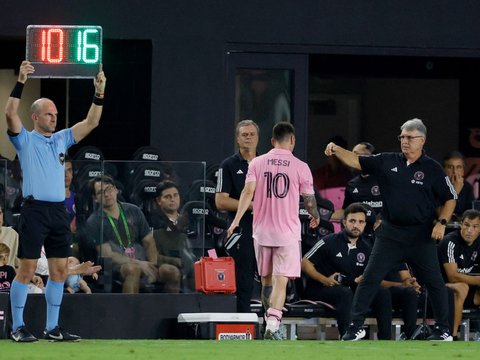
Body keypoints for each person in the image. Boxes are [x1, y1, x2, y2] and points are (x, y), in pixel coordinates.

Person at [325, 118, 457, 341]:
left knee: (434, 283)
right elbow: (357, 161)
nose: (404, 141)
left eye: (409, 137)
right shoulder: (387, 160)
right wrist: (336, 149)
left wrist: (442, 223)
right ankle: (355, 327)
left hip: (420, 235)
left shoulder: (432, 168)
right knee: (369, 278)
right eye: (402, 137)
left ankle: (443, 330)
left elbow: (450, 198)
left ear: (422, 140)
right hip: (390, 233)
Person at [5, 60, 106, 342]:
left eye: (55, 114)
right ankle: (17, 327)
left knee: (59, 270)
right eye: (49, 114)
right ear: (35, 117)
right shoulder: (24, 140)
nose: (54, 118)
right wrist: (22, 80)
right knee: (26, 269)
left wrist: (98, 93)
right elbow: (10, 112)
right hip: (34, 210)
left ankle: (52, 328)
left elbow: (92, 122)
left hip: (58, 211)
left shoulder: (61, 139)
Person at [227, 122, 320, 340]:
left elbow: (247, 191)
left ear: (271, 141)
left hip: (261, 232)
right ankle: (273, 325)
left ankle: (265, 321)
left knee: (266, 281)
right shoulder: (300, 166)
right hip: (286, 233)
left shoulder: (257, 163)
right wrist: (315, 215)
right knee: (281, 281)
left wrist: (235, 222)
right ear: (293, 140)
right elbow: (309, 200)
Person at [302, 203, 393, 339]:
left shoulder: (367, 248)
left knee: (382, 294)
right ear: (344, 222)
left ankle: (386, 340)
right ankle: (348, 335)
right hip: (320, 288)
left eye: (361, 222)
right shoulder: (329, 241)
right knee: (344, 293)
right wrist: (324, 279)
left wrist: (363, 279)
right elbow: (305, 263)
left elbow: (370, 275)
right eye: (352, 221)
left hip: (350, 288)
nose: (356, 225)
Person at [86, 175, 176, 293]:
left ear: (116, 190)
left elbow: (149, 242)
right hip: (115, 267)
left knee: (172, 272)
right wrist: (139, 264)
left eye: (109, 189)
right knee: (133, 269)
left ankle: (168, 311)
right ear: (95, 198)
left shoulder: (133, 211)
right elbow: (108, 254)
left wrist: (152, 265)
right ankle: (130, 310)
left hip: (143, 261)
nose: (107, 195)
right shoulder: (94, 221)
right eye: (100, 192)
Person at [216, 119, 259, 313]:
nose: (248, 138)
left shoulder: (266, 163)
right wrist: (253, 205)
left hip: (267, 227)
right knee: (244, 278)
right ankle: (244, 323)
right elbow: (220, 201)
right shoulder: (228, 165)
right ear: (237, 139)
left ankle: (271, 324)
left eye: (252, 134)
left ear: (258, 138)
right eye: (244, 135)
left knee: (272, 276)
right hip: (242, 229)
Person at [438, 209, 480, 340]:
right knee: (462, 287)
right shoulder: (450, 241)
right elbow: (452, 276)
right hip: (441, 288)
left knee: (464, 287)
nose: (469, 230)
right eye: (467, 225)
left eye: (475, 226)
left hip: (466, 290)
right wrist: (478, 280)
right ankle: (452, 336)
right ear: (461, 224)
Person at [151, 180, 196, 292]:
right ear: (158, 200)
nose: (173, 199)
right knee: (171, 272)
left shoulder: (190, 220)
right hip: (164, 265)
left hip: (191, 263)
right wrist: (174, 261)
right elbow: (151, 255)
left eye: (175, 195)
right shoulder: (152, 221)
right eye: (167, 196)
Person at [442, 151, 475, 221]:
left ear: (463, 171)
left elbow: (470, 215)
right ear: (443, 170)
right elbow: (442, 215)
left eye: (458, 167)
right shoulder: (437, 186)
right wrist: (455, 191)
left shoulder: (467, 187)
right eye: (450, 167)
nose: (454, 171)